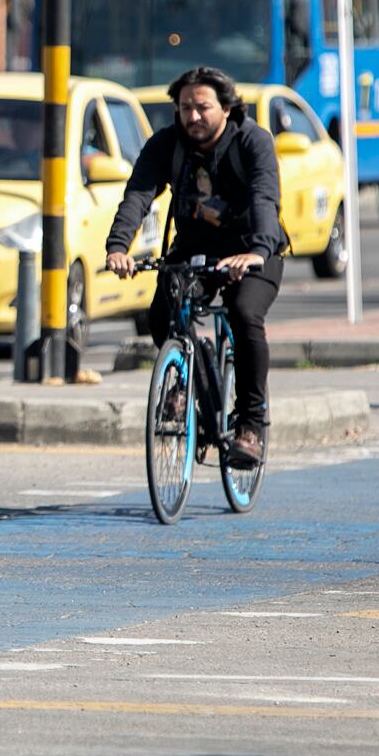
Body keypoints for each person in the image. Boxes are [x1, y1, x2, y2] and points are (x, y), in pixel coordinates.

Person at [103, 65, 286, 468]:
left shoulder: (252, 141)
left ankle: (251, 424)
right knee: (162, 311)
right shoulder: (167, 144)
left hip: (253, 250)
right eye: (185, 107)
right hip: (194, 250)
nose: (193, 116)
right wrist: (118, 247)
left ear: (225, 107)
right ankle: (187, 387)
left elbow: (263, 199)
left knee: (243, 313)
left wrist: (256, 251)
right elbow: (138, 195)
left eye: (202, 107)